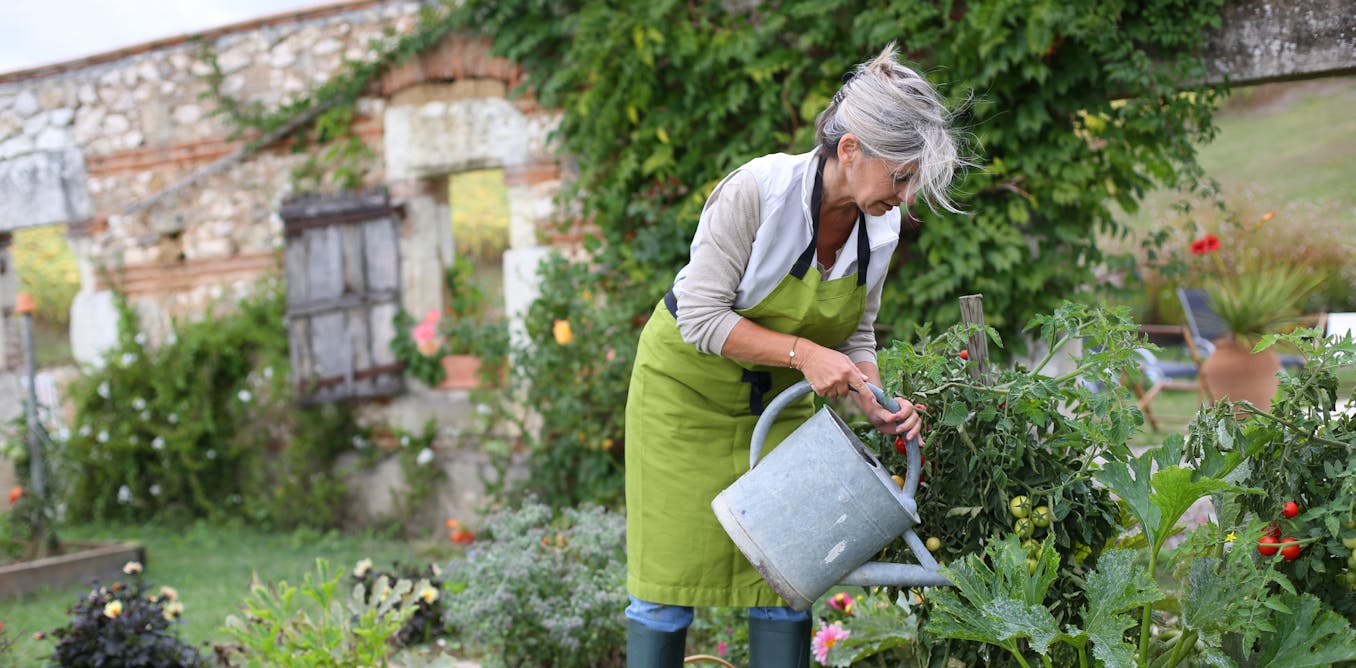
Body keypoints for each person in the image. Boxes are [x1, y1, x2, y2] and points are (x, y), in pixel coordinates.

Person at [624, 43, 966, 667]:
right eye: (902, 175)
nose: (907, 196)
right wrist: (804, 352)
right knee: (664, 591)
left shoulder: (880, 228)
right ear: (850, 149)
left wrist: (877, 402)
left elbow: (856, 337)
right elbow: (701, 317)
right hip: (684, 401)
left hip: (776, 409)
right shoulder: (756, 192)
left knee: (788, 581)